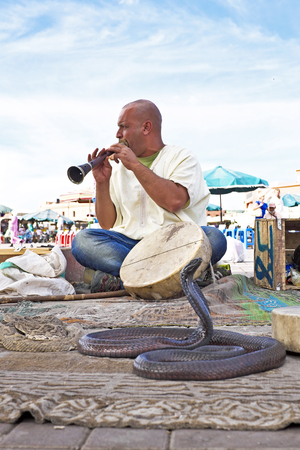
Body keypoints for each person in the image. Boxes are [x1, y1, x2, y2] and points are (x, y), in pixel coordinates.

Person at [72, 99, 227, 292]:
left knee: (215, 238)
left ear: (146, 128)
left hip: (175, 243)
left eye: (123, 127)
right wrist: (102, 182)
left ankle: (124, 280)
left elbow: (174, 201)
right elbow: (106, 223)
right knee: (82, 241)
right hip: (131, 247)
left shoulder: (182, 157)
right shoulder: (117, 168)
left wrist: (136, 166)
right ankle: (176, 277)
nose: (118, 134)